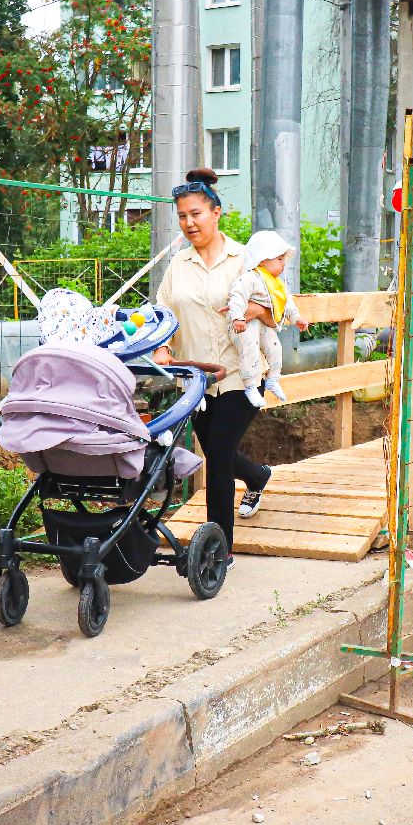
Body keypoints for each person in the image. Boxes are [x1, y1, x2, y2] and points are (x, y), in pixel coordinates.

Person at [152, 168, 276, 547]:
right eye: (182, 216)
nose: (189, 223)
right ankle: (257, 477)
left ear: (216, 212)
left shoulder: (246, 260)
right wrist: (162, 347)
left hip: (243, 376)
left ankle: (217, 549)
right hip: (196, 380)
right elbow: (164, 313)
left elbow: (279, 312)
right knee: (218, 451)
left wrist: (251, 311)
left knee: (219, 457)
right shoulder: (179, 266)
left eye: (196, 214)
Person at [228, 229, 310, 408]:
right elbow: (237, 298)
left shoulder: (276, 284)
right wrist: (237, 317)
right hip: (246, 324)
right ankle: (250, 386)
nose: (283, 264)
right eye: (279, 259)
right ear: (263, 258)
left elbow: (287, 303)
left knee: (275, 347)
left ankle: (273, 378)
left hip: (264, 325)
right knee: (249, 349)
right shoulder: (250, 278)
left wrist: (297, 318)